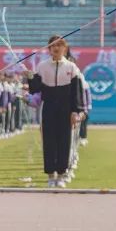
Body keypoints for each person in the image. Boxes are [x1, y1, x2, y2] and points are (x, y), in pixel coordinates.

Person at [27, 37, 84, 188]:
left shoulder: (71, 67)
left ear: (65, 48)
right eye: (53, 46)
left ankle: (62, 175)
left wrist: (75, 111)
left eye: (60, 45)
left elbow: (76, 92)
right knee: (49, 140)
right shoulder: (42, 66)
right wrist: (30, 77)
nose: (56, 48)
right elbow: (35, 89)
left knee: (64, 141)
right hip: (49, 106)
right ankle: (51, 176)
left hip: (66, 108)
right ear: (49, 49)